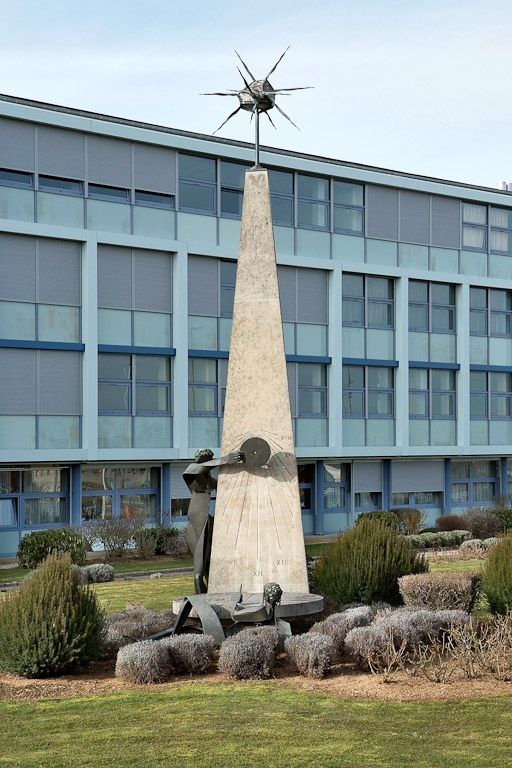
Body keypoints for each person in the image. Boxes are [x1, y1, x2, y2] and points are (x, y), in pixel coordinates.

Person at [183, 448, 244, 593]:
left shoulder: (210, 481)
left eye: (208, 459)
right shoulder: (192, 471)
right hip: (197, 515)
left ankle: (208, 588)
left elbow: (229, 486)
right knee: (200, 555)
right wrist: (225, 459)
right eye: (204, 459)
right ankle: (199, 583)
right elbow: (199, 468)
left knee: (208, 556)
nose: (206, 462)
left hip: (208, 516)